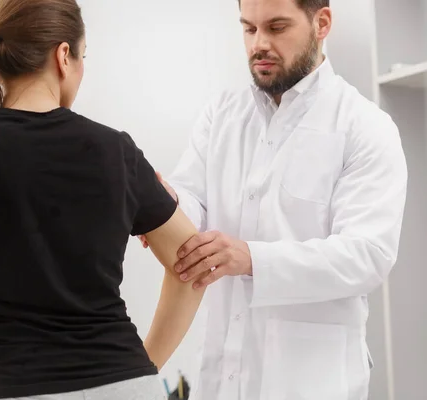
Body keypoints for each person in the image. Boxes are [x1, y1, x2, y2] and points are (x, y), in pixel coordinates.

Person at [0, 0, 207, 399]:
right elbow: (193, 264)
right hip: (125, 385)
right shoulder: (115, 150)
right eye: (84, 57)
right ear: (63, 56)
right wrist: (144, 367)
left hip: (15, 386)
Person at [141, 0, 408, 399]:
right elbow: (194, 197)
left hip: (310, 382)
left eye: (277, 28)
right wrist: (168, 204)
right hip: (221, 378)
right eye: (249, 29)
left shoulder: (365, 127)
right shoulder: (222, 116)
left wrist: (251, 259)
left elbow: (367, 255)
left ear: (322, 23)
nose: (258, 44)